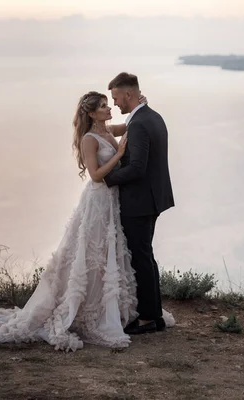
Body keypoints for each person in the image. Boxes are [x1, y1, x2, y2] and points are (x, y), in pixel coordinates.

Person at [0, 91, 173, 352]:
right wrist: (118, 157)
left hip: (112, 203)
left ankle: (110, 305)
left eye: (110, 104)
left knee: (109, 253)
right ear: (91, 113)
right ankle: (80, 308)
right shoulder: (89, 139)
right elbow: (95, 175)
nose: (110, 109)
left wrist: (141, 106)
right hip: (97, 202)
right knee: (89, 251)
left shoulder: (109, 130)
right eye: (104, 106)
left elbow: (130, 125)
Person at [104, 72, 175, 335]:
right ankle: (153, 315)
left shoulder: (140, 124)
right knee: (146, 256)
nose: (115, 104)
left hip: (140, 201)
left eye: (116, 98)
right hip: (153, 198)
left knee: (141, 258)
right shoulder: (152, 116)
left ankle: (148, 318)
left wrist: (108, 179)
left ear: (129, 95)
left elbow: (137, 168)